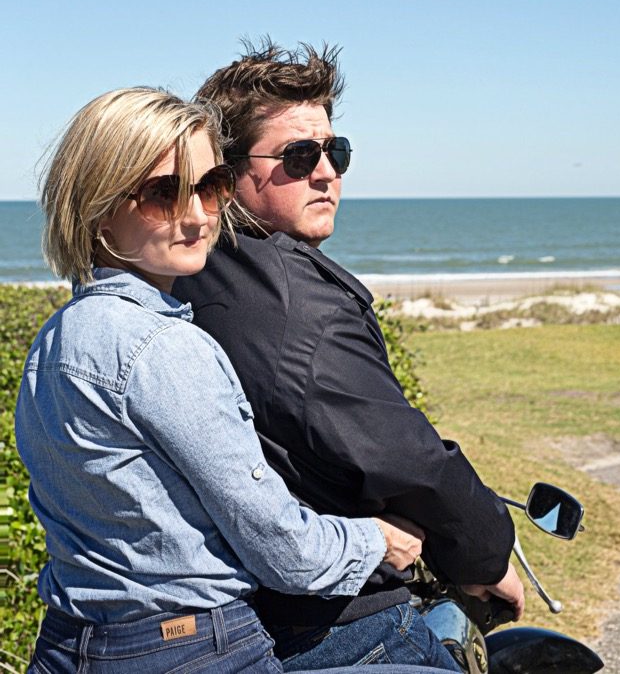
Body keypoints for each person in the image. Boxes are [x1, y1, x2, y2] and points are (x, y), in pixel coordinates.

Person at [15, 87, 427, 674]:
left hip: (68, 646)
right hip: (193, 646)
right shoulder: (166, 347)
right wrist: (380, 542)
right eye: (163, 193)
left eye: (211, 187)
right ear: (98, 205)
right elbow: (286, 553)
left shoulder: (54, 342)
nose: (198, 215)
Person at [174, 42, 526, 672]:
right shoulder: (300, 313)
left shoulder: (187, 267)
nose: (327, 172)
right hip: (340, 624)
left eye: (335, 151)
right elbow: (405, 460)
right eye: (299, 155)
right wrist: (484, 557)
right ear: (227, 172)